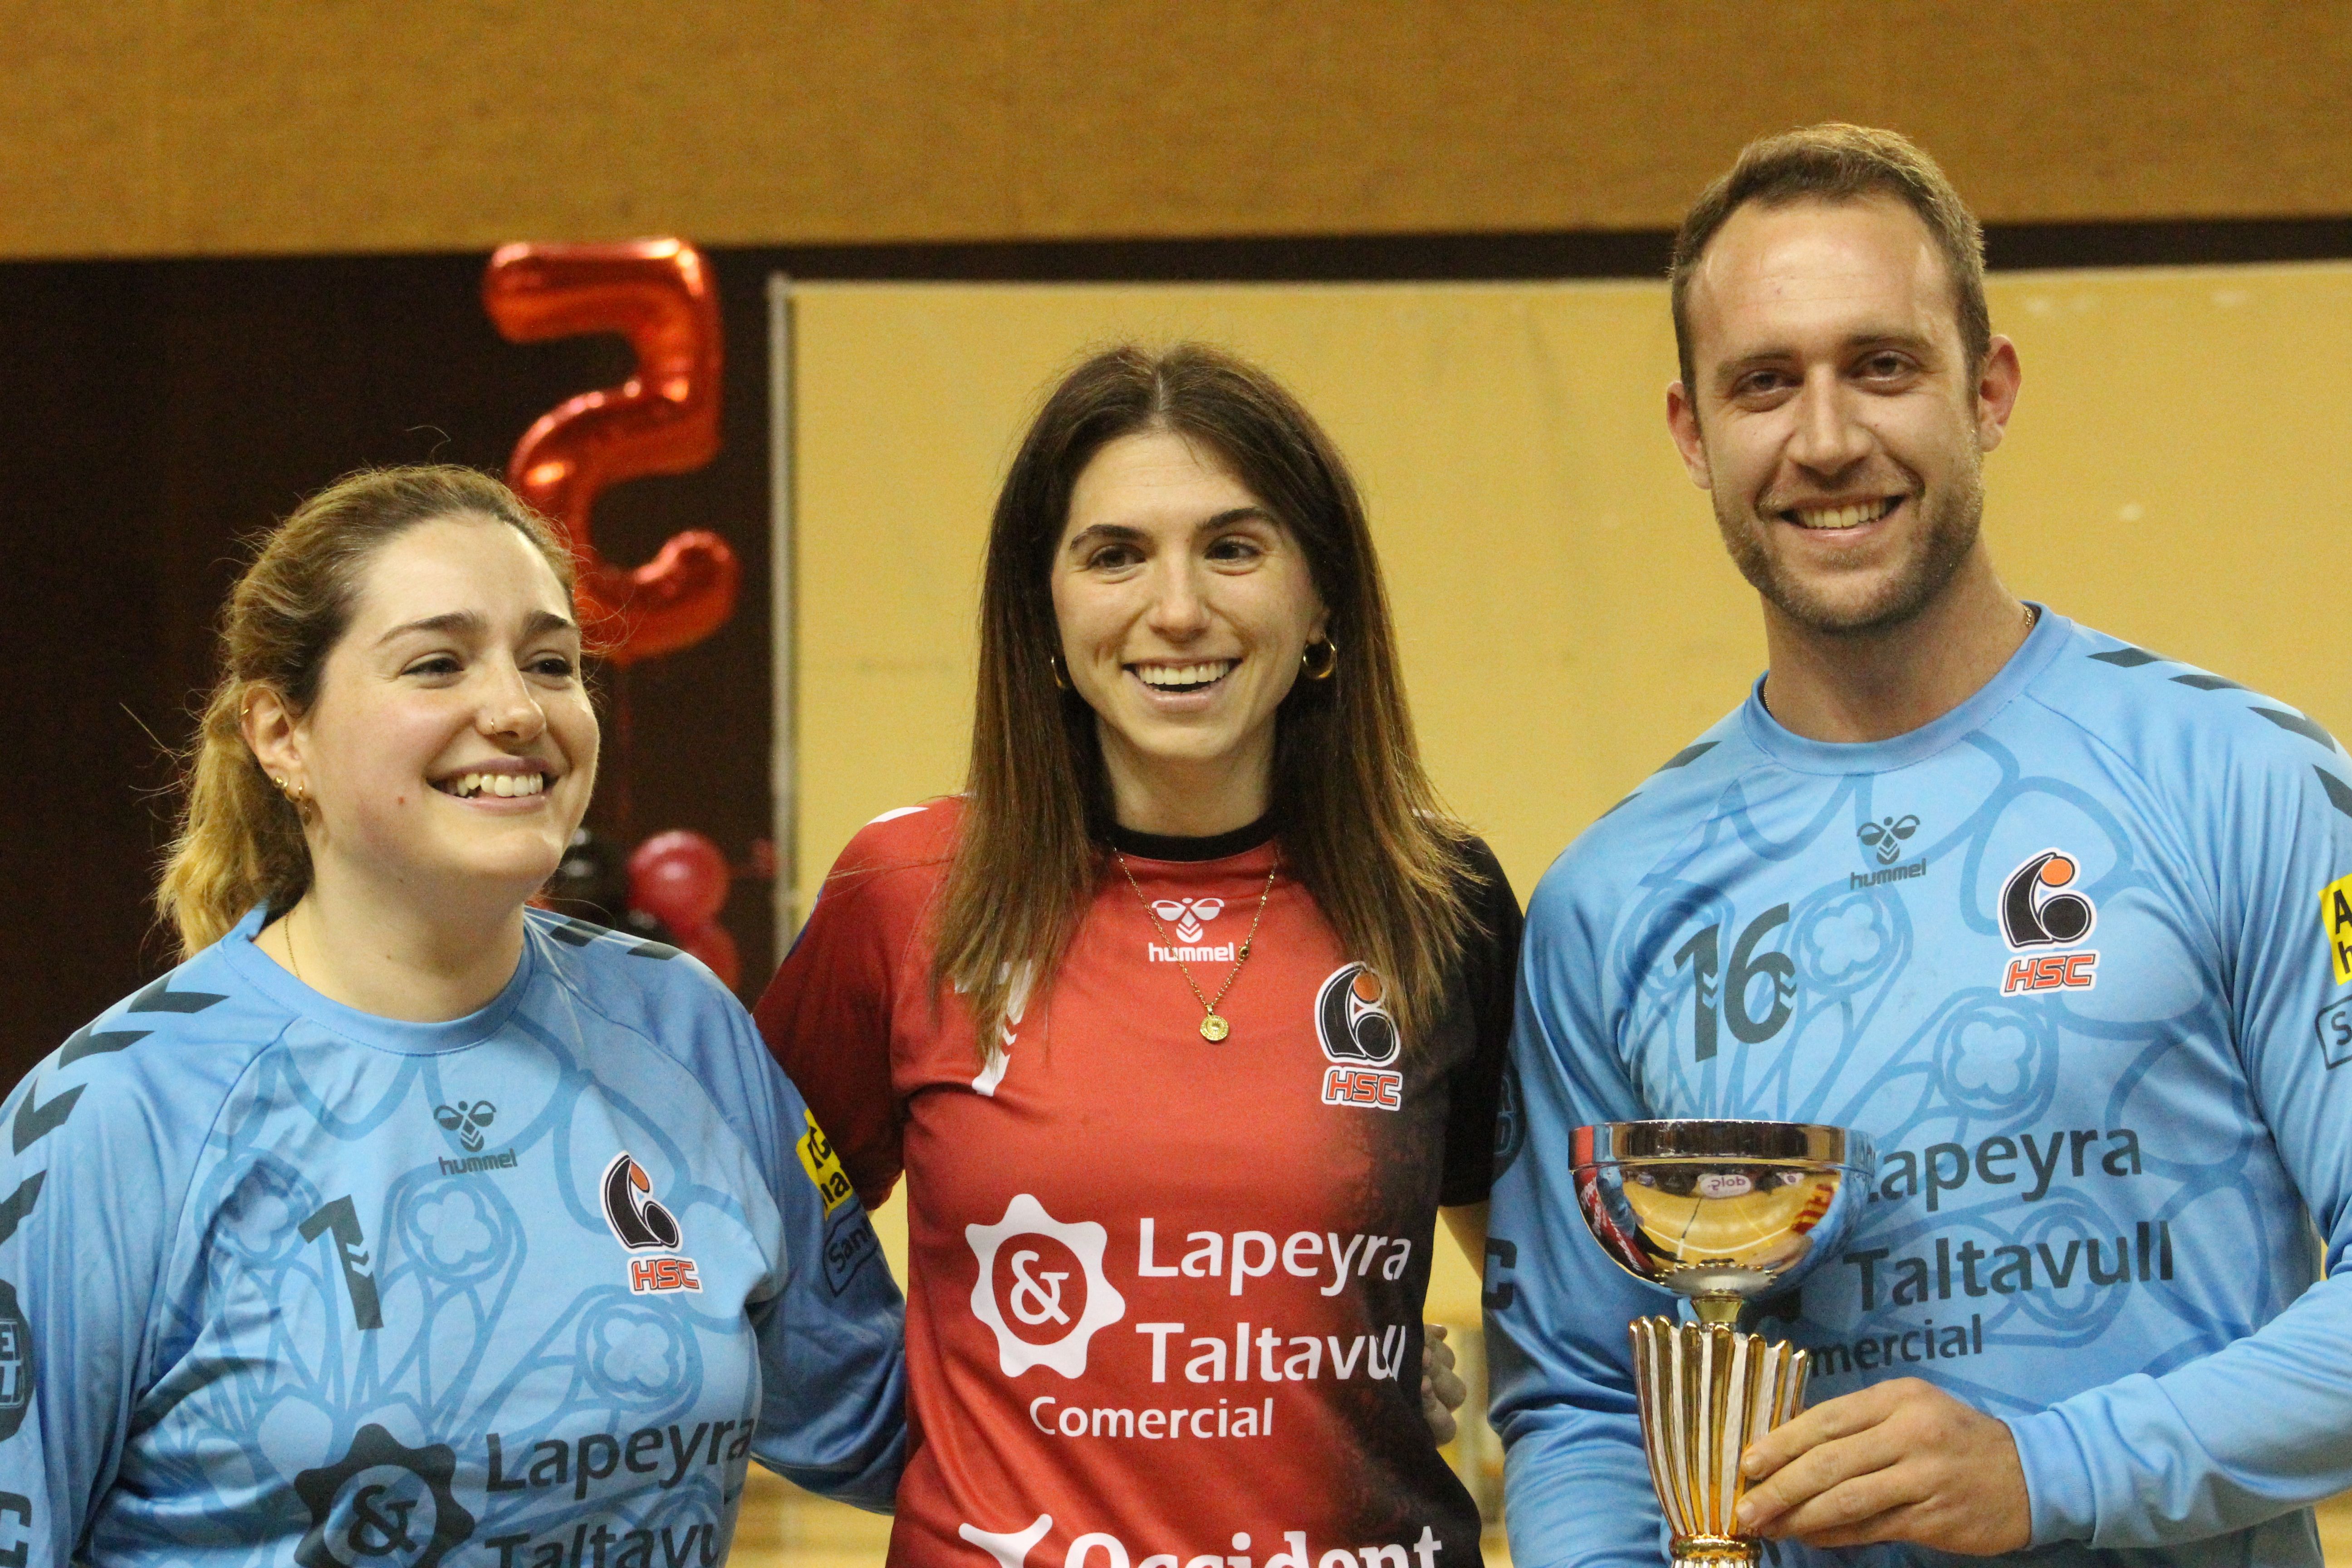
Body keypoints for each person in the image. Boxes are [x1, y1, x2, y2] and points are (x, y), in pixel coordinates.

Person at [1486, 122, 2352, 1568]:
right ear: (1693, 435)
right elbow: (1581, 1398)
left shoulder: (2244, 781)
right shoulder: (1607, 900)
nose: (1826, 441)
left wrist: (2051, 1470)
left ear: (1989, 389)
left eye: (1882, 366)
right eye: (1766, 384)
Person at [0, 466, 904, 1567]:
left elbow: (889, 1425)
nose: (519, 711)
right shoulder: (120, 1113)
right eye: (437, 664)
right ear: (283, 734)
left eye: (552, 663)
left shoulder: (680, 1028)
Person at [758, 343, 1519, 1568]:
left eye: (1233, 547)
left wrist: (1359, 1375)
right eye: (1115, 555)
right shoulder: (905, 897)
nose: (1177, 609)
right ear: (1044, 614)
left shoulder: (1442, 903)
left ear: (1321, 597)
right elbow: (747, 1243)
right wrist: (941, 1430)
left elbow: (1557, 1314)